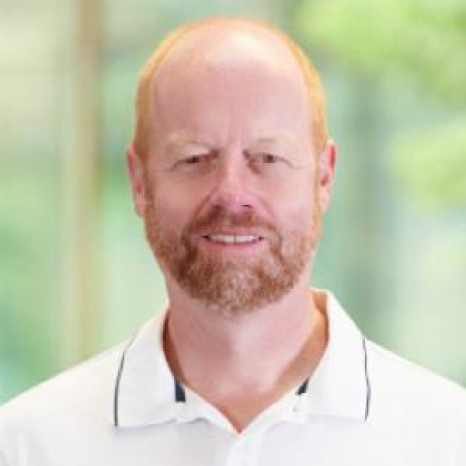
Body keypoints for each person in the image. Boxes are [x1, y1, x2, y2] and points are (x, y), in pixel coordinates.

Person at [1, 16, 465, 466]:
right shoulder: (28, 445)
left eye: (267, 156)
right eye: (194, 158)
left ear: (324, 176)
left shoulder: (448, 439)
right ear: (140, 182)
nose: (232, 194)